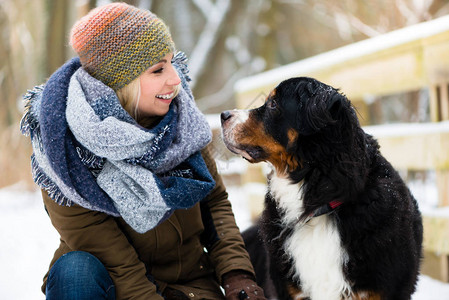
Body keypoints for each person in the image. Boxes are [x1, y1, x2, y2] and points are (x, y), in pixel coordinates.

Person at [20, 3, 266, 300]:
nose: (175, 79)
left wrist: (236, 273)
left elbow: (214, 202)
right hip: (113, 286)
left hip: (188, 285)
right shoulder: (64, 149)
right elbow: (120, 266)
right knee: (75, 269)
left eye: (172, 63)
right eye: (158, 69)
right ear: (119, 81)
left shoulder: (182, 124)